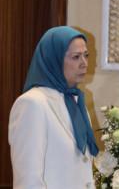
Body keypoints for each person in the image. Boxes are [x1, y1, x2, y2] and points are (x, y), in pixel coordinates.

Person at [9, 27, 98, 189]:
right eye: (76, 57)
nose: (84, 64)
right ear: (53, 59)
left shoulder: (76, 101)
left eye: (86, 55)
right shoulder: (32, 103)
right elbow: (28, 181)